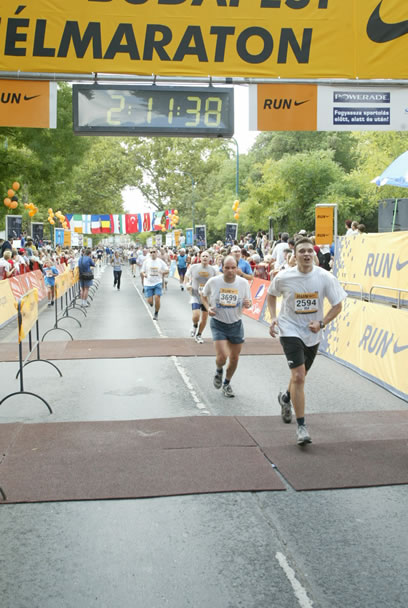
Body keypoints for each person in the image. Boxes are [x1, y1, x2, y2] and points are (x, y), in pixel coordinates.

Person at [267, 237, 347, 446]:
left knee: (300, 376)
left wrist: (321, 323)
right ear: (294, 255)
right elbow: (271, 295)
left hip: (312, 333)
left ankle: (286, 398)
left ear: (314, 254)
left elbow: (338, 305)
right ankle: (301, 426)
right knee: (299, 376)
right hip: (289, 329)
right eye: (302, 251)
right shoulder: (284, 276)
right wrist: (273, 317)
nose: (306, 254)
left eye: (310, 251)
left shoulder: (325, 277)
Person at [201, 255, 252, 398]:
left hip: (236, 324)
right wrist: (208, 308)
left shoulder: (243, 283)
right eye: (227, 268)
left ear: (237, 268)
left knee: (234, 358)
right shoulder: (213, 281)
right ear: (222, 268)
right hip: (218, 323)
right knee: (222, 357)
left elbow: (249, 302)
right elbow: (203, 296)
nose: (230, 271)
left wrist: (248, 304)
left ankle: (227, 383)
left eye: (233, 268)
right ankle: (219, 369)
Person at [185, 250, 218, 343]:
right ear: (200, 258)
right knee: (196, 316)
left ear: (210, 259)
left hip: (207, 298)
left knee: (204, 318)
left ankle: (199, 335)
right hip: (195, 295)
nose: (205, 258)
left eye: (207, 256)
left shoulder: (213, 270)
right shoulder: (194, 267)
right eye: (203, 256)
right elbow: (186, 277)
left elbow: (218, 280)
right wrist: (187, 284)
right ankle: (194, 325)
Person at [141, 247, 169, 321]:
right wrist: (144, 274)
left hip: (158, 282)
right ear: (149, 254)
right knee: (150, 301)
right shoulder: (146, 262)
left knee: (157, 298)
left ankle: (156, 313)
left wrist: (162, 272)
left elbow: (167, 270)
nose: (153, 253)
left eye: (154, 252)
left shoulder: (160, 262)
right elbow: (142, 271)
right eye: (151, 252)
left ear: (157, 253)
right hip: (148, 283)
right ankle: (151, 302)